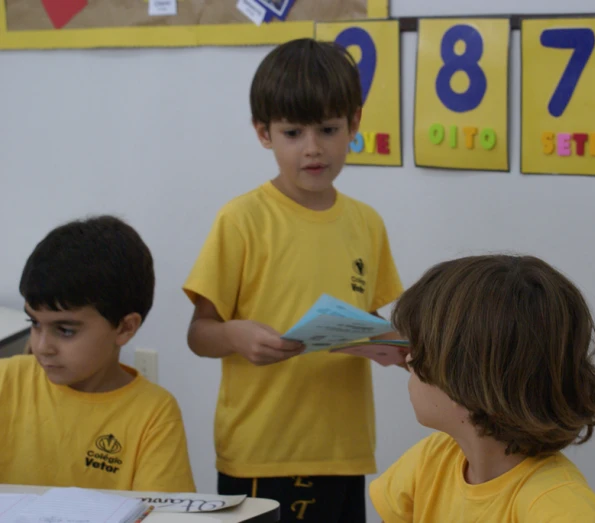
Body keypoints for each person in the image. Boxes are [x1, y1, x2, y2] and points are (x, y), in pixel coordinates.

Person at [183, 38, 404, 522]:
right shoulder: (241, 220)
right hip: (261, 449)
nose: (312, 148)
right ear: (264, 133)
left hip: (343, 450)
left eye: (328, 129)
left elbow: (368, 321)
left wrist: (393, 345)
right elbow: (199, 334)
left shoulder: (366, 223)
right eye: (292, 132)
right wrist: (235, 335)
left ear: (355, 124)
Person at [370, 255, 595, 522]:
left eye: (419, 349)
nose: (407, 359)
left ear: (466, 380)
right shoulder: (432, 459)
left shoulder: (558, 509)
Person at [0, 215, 195, 492]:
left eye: (65, 330)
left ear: (125, 328)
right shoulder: (6, 381)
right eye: (34, 323)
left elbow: (168, 515)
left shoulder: (154, 415)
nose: (42, 346)